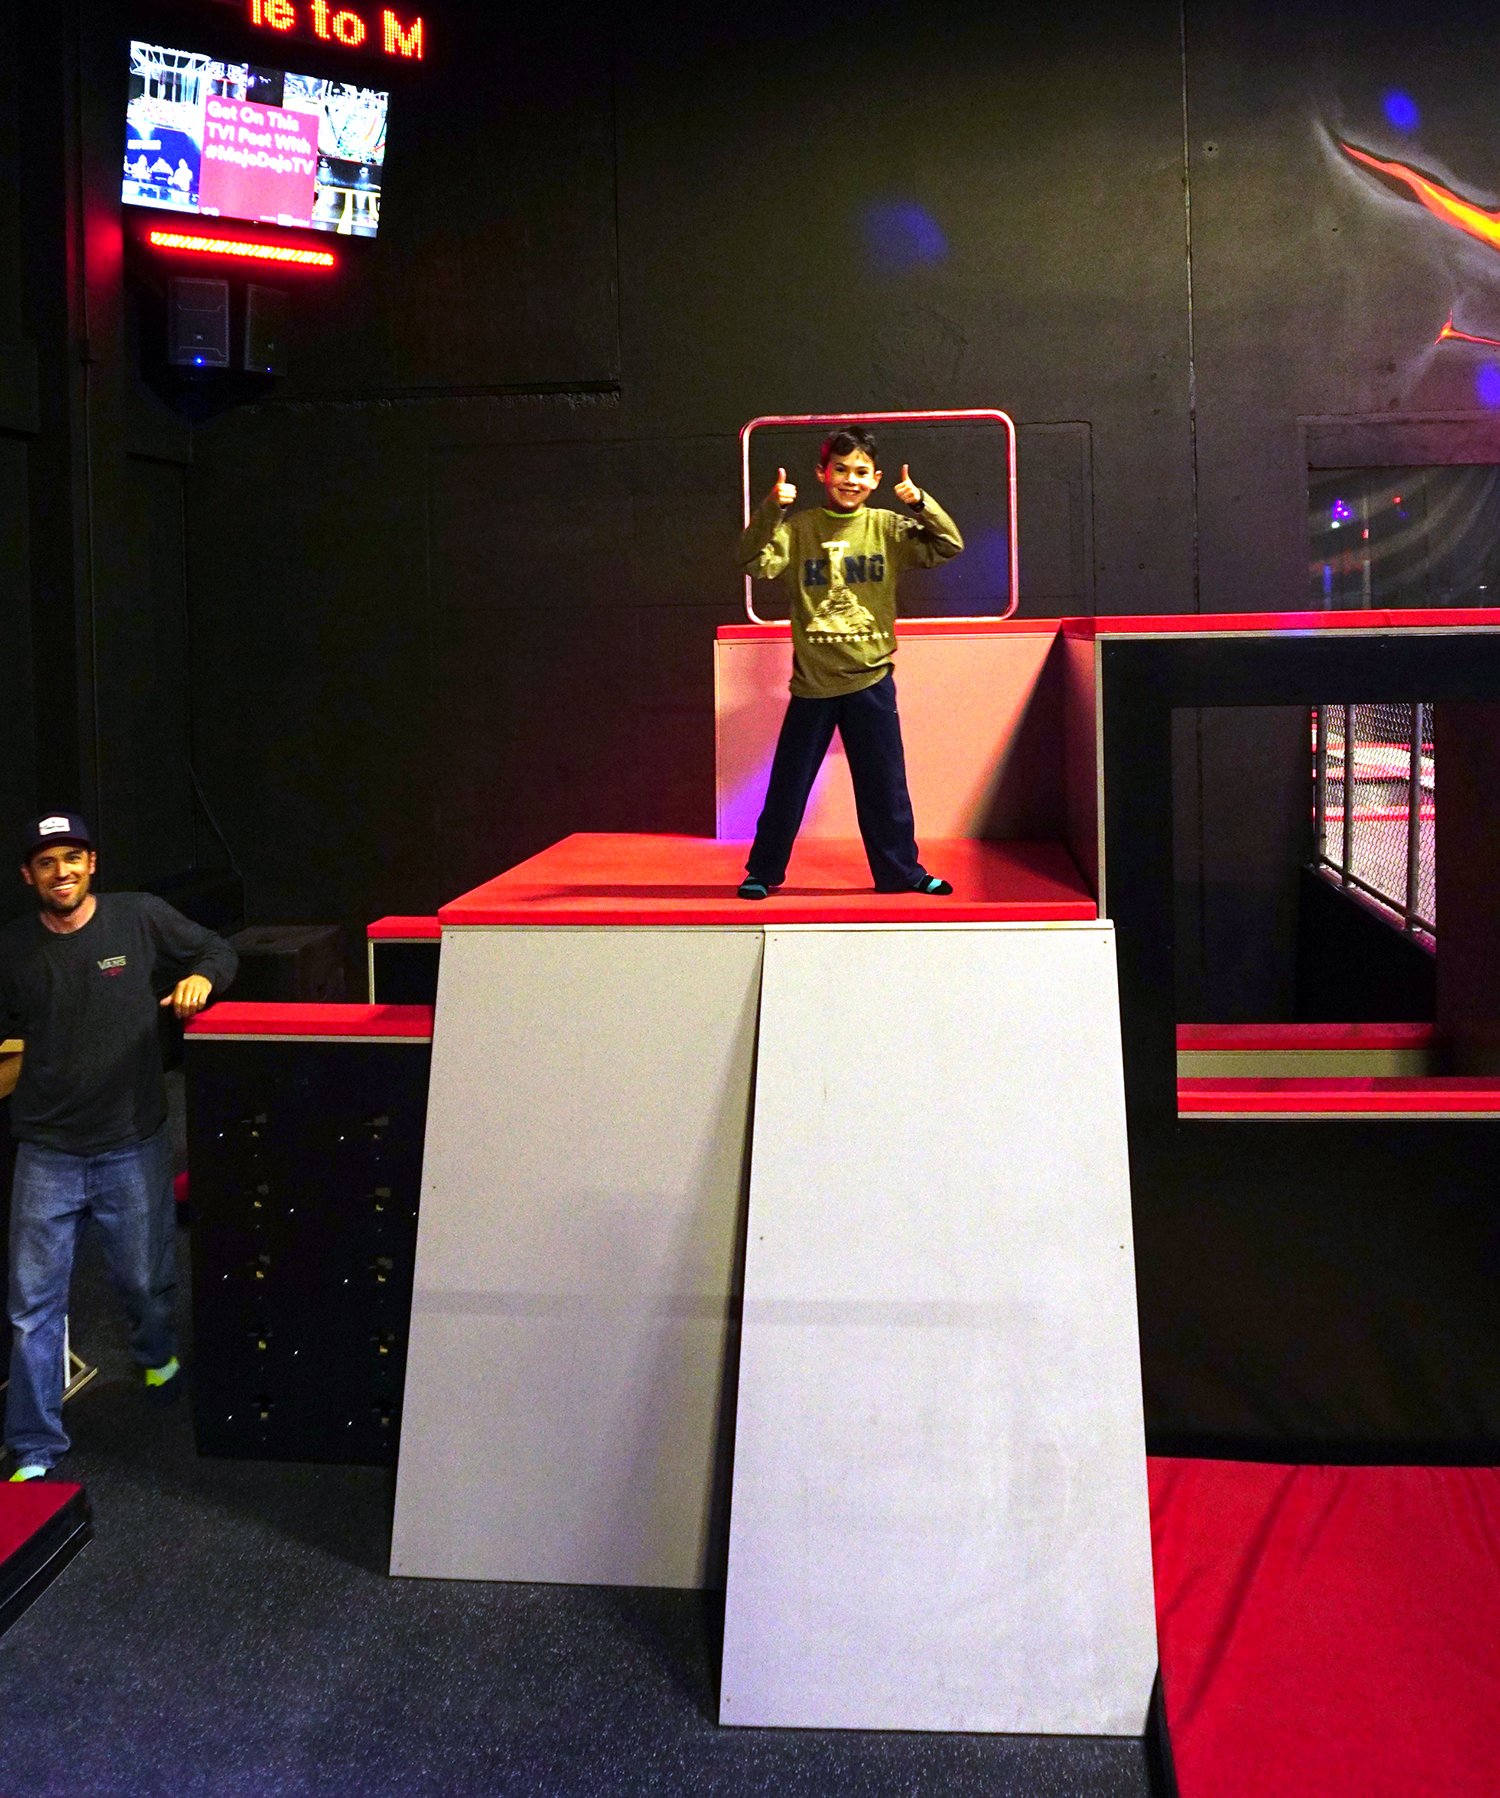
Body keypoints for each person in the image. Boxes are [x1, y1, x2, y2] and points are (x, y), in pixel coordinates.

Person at [0, 813, 237, 1482]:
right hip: (46, 1150)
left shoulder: (139, 918)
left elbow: (219, 951)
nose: (61, 871)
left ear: (92, 863)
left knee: (142, 1280)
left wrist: (202, 982)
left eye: (72, 857)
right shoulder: (14, 947)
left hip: (131, 1142)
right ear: (29, 876)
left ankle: (154, 1350)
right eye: (46, 863)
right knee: (31, 1308)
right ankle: (34, 1446)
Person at [736, 425, 964, 899]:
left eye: (861, 471)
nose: (850, 479)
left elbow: (949, 546)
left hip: (871, 681)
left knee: (885, 788)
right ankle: (762, 871)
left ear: (876, 478)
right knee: (788, 787)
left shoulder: (886, 527)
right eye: (840, 469)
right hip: (813, 686)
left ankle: (901, 872)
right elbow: (753, 560)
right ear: (823, 473)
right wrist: (772, 508)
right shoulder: (798, 529)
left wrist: (918, 501)